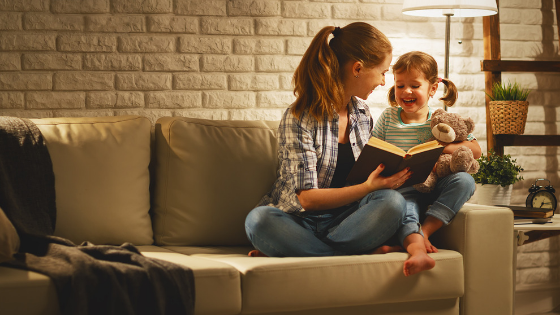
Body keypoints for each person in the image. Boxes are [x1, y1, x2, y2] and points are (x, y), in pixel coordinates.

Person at [245, 23, 435, 276]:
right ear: (357, 68)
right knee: (258, 220)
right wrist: (368, 187)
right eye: (381, 72)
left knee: (392, 202)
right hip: (298, 220)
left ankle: (303, 250)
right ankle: (347, 254)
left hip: (347, 222)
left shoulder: (362, 113)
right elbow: (307, 199)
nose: (382, 82)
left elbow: (368, 175)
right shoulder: (299, 117)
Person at [372, 51, 481, 254]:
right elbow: (374, 148)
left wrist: (439, 147)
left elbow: (476, 150)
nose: (406, 92)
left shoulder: (441, 120)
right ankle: (410, 240)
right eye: (400, 85)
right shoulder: (388, 117)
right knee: (407, 208)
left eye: (415, 86)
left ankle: (426, 232)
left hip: (436, 183)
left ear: (432, 89)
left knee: (465, 181)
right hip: (403, 187)